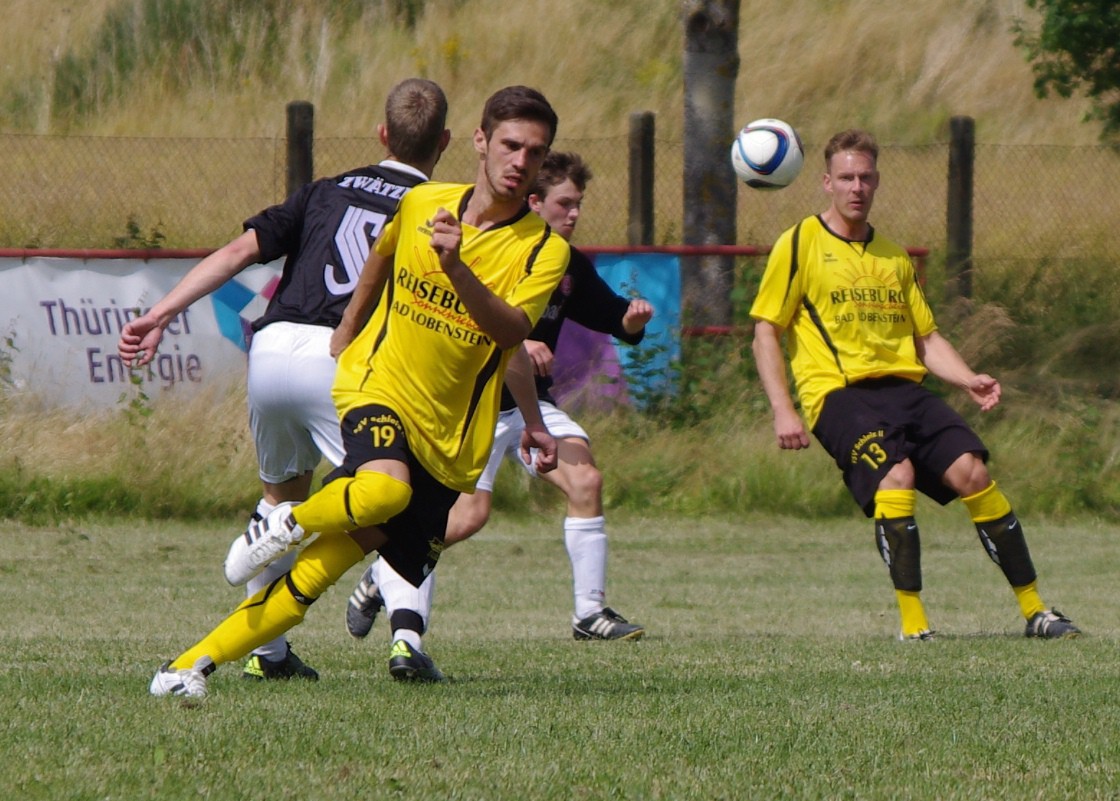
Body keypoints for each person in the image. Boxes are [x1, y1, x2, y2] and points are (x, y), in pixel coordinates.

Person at [147, 85, 570, 698]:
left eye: (535, 152)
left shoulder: (544, 249)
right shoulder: (424, 200)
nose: (520, 162)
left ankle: (187, 667)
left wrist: (532, 417)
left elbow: (508, 332)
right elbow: (382, 253)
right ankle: (289, 521)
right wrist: (347, 330)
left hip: (448, 442)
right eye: (510, 145)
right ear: (479, 141)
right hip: (377, 386)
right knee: (378, 488)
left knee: (313, 581)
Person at [118, 78, 451, 683]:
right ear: (447, 142)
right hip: (342, 357)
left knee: (284, 495)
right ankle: (408, 642)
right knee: (397, 497)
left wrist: (162, 311)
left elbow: (239, 252)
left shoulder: (326, 189)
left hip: (271, 350)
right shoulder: (437, 208)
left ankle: (267, 654)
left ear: (382, 134)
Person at [749, 128, 1080, 641]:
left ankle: (1036, 611)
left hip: (904, 390)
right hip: (838, 395)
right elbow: (766, 330)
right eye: (845, 178)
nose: (856, 186)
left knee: (973, 472)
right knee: (896, 476)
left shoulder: (893, 256)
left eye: (865, 177)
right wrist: (783, 408)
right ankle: (914, 624)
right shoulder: (799, 244)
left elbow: (925, 339)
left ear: (877, 181)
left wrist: (968, 377)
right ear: (825, 183)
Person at [345, 151, 653, 647]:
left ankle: (589, 613)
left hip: (528, 406)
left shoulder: (565, 263)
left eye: (579, 204)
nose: (574, 214)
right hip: (474, 405)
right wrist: (515, 338)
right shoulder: (492, 248)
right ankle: (384, 572)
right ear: (533, 201)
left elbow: (611, 314)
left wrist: (631, 321)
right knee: (465, 517)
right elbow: (483, 322)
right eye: (565, 204)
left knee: (586, 479)